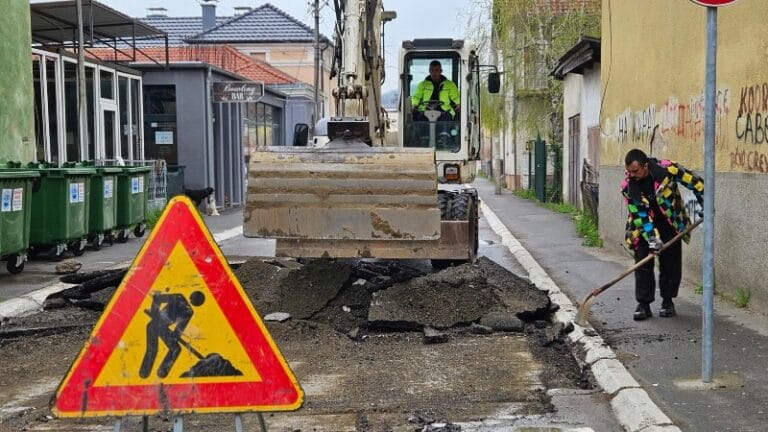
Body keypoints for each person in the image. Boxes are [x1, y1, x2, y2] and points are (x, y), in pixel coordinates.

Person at [622, 149, 704, 321]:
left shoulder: (668, 170)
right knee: (643, 262)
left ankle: (668, 301)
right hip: (643, 226)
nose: (632, 175)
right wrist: (653, 239)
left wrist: (705, 203)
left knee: (670, 263)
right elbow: (640, 215)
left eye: (635, 171)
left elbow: (697, 183)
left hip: (670, 222)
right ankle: (643, 304)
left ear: (645, 166)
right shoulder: (629, 186)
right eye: (629, 171)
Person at [139, 290, 205, 378]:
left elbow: (179, 329)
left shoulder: (188, 311)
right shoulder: (178, 298)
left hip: (162, 328)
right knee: (153, 349)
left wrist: (175, 337)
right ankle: (145, 372)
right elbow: (158, 298)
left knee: (175, 349)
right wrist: (155, 313)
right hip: (154, 325)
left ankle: (161, 372)